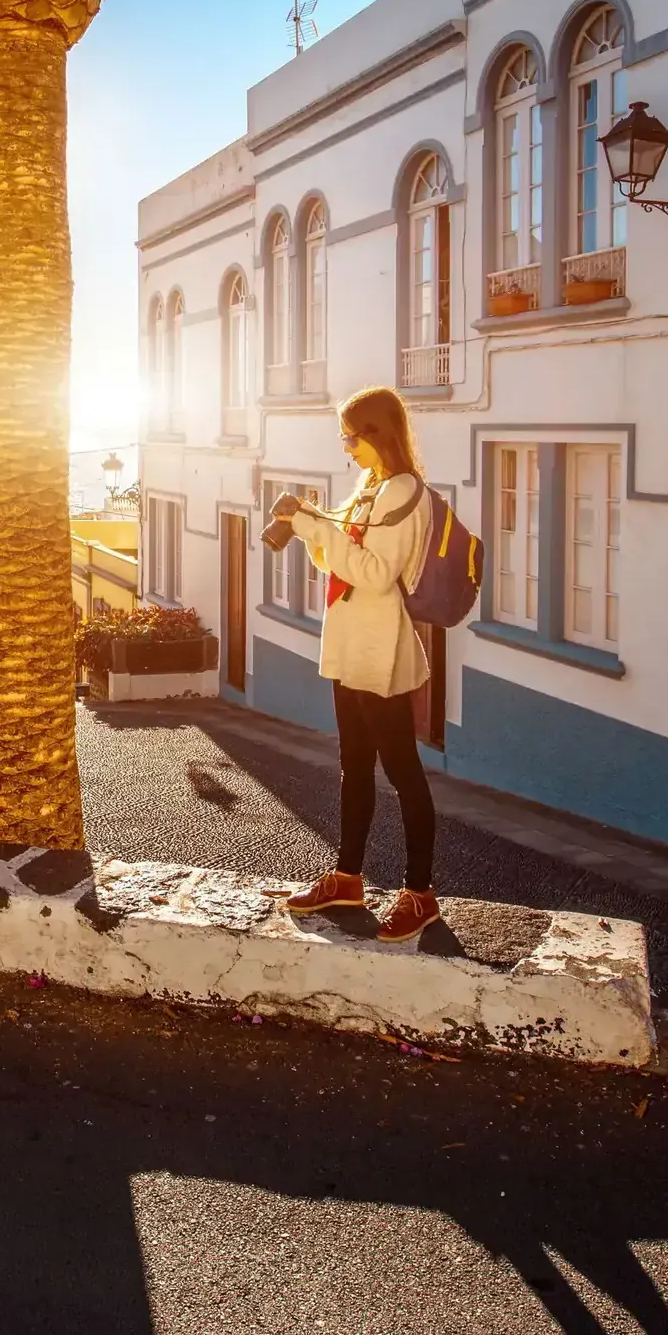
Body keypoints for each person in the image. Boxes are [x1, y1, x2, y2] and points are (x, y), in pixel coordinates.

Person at [271, 385, 441, 943]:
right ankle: (347, 879)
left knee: (403, 772)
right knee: (354, 766)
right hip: (350, 645)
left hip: (379, 651)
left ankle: (420, 895)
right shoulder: (370, 488)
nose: (347, 449)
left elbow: (374, 574)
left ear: (376, 434)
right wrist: (310, 531)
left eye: (351, 437)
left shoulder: (403, 491)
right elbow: (342, 561)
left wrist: (317, 529)